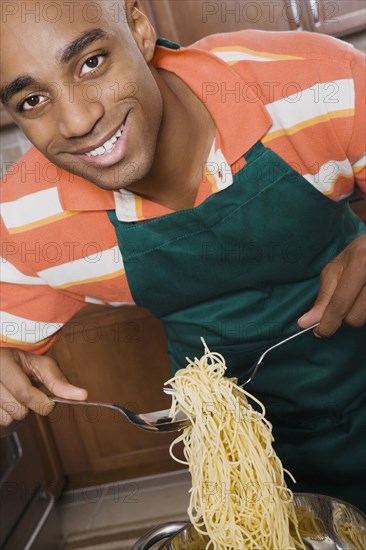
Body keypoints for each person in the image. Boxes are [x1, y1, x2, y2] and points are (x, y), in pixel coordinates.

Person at [1, 0, 365, 512]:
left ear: (139, 28)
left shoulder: (316, 83)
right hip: (244, 465)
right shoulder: (30, 217)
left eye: (91, 62)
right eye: (33, 99)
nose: (79, 120)